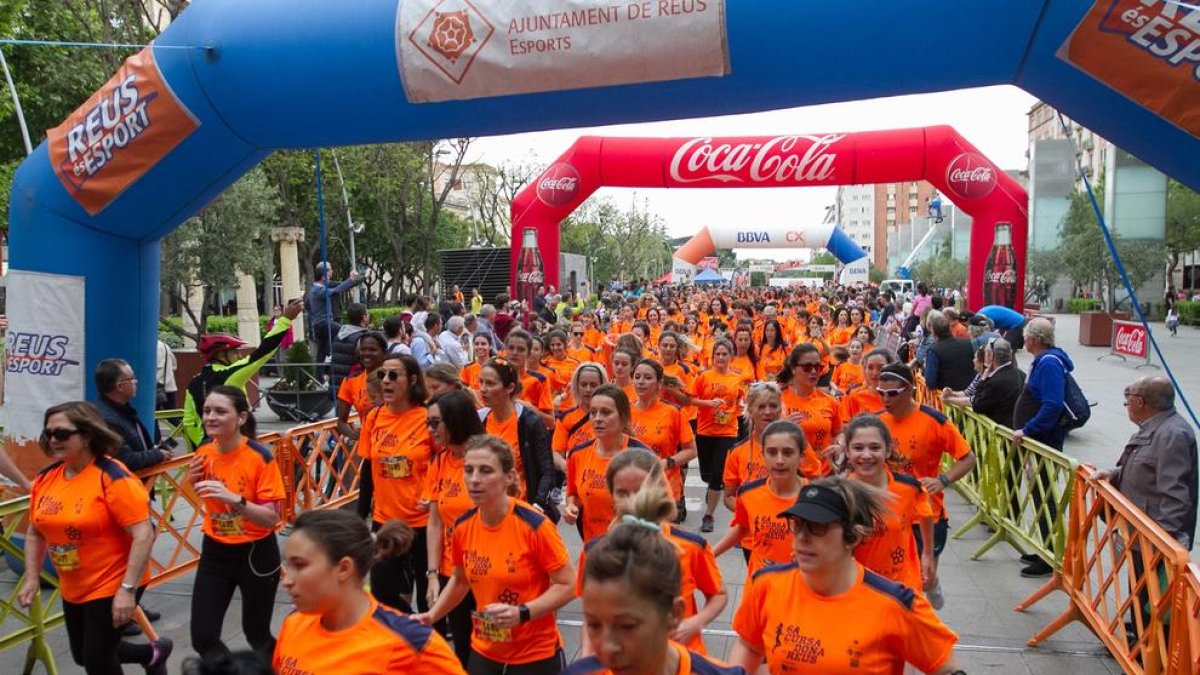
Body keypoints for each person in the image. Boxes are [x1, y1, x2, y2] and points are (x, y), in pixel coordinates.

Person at [729, 477, 962, 674]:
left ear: (854, 536)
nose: (802, 537)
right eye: (797, 525)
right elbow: (749, 645)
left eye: (818, 527)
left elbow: (948, 668)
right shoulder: (767, 584)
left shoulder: (895, 604)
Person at [19, 401, 172, 675]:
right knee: (82, 655)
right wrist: (31, 576)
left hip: (113, 582)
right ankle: (152, 654)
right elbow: (35, 531)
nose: (53, 440)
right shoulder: (45, 479)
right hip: (74, 582)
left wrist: (127, 590)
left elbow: (143, 534)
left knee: (98, 660)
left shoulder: (113, 477)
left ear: (88, 434)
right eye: (48, 434)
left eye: (62, 434)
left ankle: (149, 654)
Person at [417, 435, 576, 675]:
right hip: (485, 652)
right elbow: (460, 580)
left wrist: (522, 613)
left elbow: (569, 584)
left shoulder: (535, 526)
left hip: (535, 655)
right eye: (468, 470)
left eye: (486, 471)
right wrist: (432, 615)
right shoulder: (463, 527)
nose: (474, 479)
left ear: (509, 477)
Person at [566, 457, 737, 674]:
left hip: (680, 659)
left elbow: (719, 594)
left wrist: (694, 623)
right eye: (622, 493)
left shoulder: (690, 547)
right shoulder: (595, 552)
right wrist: (588, 659)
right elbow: (592, 616)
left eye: (639, 490)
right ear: (611, 495)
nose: (631, 500)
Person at [274, 510, 465, 674]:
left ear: (343, 569)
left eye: (299, 565)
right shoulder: (293, 625)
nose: (287, 581)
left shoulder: (410, 642)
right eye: (288, 565)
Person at [187, 386, 286, 660]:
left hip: (255, 554)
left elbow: (271, 518)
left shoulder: (259, 457)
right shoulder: (204, 452)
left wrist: (236, 500)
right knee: (203, 638)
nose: (210, 417)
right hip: (215, 552)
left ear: (241, 418)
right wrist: (191, 481)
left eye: (220, 411)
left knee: (257, 635)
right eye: (206, 411)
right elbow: (199, 496)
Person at [875, 363, 975, 607]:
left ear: (909, 389)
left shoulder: (935, 421)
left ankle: (932, 585)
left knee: (923, 579)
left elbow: (968, 458)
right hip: (889, 513)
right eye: (881, 392)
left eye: (892, 393)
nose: (885, 399)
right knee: (894, 582)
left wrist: (942, 480)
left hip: (927, 514)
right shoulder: (875, 423)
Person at [355, 354, 436, 614]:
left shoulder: (428, 417)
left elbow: (445, 462)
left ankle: (429, 644)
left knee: (429, 596)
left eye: (393, 375)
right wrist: (360, 516)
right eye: (382, 375)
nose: (385, 381)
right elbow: (368, 467)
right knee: (380, 591)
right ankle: (406, 626)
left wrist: (436, 498)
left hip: (424, 522)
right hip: (386, 520)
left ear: (412, 380)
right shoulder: (375, 417)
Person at [182, 298, 303, 447]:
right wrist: (285, 320)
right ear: (221, 355)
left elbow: (189, 422)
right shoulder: (229, 375)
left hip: (205, 453)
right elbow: (262, 353)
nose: (239, 356)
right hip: (233, 449)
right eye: (234, 352)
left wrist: (203, 446)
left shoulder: (193, 382)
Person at [1096, 376, 1198, 551]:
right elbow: (1148, 466)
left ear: (1140, 402)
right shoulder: (1155, 427)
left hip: (1150, 540)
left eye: (1128, 399)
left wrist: (1163, 544)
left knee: (1144, 578)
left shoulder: (1172, 435)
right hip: (1139, 532)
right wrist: (1115, 473)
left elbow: (1175, 495)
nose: (1127, 403)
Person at [423, 391, 487, 666]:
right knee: (462, 646)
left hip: (489, 572)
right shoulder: (439, 462)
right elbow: (435, 522)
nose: (430, 429)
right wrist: (433, 575)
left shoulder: (487, 459)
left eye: (435, 423)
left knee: (491, 648)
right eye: (428, 422)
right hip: (453, 573)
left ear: (455, 421)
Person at [843, 415, 936, 594]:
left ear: (888, 450)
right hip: (857, 588)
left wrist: (927, 554)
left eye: (875, 448)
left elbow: (926, 515)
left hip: (902, 586)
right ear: (847, 452)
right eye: (858, 448)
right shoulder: (839, 494)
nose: (866, 455)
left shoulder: (908, 488)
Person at [713, 421, 809, 576]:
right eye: (772, 452)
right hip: (759, 585)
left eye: (788, 452)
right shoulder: (748, 494)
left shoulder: (814, 499)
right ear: (763, 455)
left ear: (801, 457)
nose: (779, 460)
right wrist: (711, 554)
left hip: (798, 586)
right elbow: (742, 527)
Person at [564, 385, 651, 542]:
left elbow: (660, 509)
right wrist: (571, 507)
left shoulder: (642, 457)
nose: (597, 418)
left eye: (606, 412)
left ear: (623, 417)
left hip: (633, 552)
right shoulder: (577, 454)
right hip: (593, 550)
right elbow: (573, 494)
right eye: (593, 412)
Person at [477, 357, 557, 516]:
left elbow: (547, 470)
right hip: (486, 511)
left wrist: (538, 504)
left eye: (490, 384)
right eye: (481, 382)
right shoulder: (479, 420)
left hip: (522, 510)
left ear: (510, 388)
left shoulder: (530, 422)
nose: (483, 389)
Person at [692, 338, 747, 533]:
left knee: (717, 475)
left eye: (724, 354)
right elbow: (692, 399)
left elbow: (741, 397)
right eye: (717, 354)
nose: (721, 357)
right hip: (705, 430)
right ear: (713, 356)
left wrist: (740, 405)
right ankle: (712, 488)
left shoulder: (736, 378)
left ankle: (709, 514)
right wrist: (709, 404)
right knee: (706, 473)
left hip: (728, 431)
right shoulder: (703, 377)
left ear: (731, 357)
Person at [629, 359, 697, 515]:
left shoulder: (673, 412)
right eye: (637, 377)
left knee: (663, 538)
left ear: (659, 384)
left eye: (647, 377)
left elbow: (691, 451)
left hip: (665, 486)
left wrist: (667, 463)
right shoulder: (625, 410)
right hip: (633, 486)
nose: (641, 381)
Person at [93, 359, 171, 471]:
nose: (136, 382)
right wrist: (158, 454)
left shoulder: (121, 410)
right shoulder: (107, 419)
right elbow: (125, 460)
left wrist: (154, 450)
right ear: (120, 386)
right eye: (132, 378)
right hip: (126, 485)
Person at [777, 343, 841, 473]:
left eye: (818, 367)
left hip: (824, 474)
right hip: (790, 473)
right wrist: (783, 428)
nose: (813, 371)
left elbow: (839, 432)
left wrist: (840, 445)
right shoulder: (778, 400)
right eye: (807, 367)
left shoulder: (830, 402)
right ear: (794, 369)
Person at [335, 332, 389, 442]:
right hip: (368, 447)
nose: (366, 353)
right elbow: (340, 422)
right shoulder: (351, 381)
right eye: (363, 349)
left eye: (372, 350)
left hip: (396, 443)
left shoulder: (394, 377)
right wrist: (352, 433)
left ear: (384, 353)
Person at [307, 262, 363, 364]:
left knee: (322, 353)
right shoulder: (317, 290)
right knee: (345, 331)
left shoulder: (315, 289)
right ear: (323, 277)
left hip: (320, 324)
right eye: (328, 274)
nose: (330, 276)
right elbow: (336, 291)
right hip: (323, 323)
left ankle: (319, 377)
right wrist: (351, 279)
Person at [968, 338, 1025, 429]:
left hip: (1001, 433)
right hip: (1016, 428)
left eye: (987, 353)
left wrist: (983, 379)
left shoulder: (995, 382)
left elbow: (977, 405)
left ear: (992, 357)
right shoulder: (1021, 374)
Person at [923, 310, 977, 392]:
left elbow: (930, 382)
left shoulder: (933, 350)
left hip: (947, 397)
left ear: (933, 331)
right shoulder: (968, 343)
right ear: (949, 327)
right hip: (970, 393)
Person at [331, 303, 371, 392]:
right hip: (353, 388)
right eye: (368, 314)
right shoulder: (362, 338)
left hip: (337, 386)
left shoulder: (339, 335)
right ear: (364, 317)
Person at [155, 338, 178, 412]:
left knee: (153, 418)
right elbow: (174, 366)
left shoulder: (149, 346)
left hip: (154, 388)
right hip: (170, 387)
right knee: (173, 417)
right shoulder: (165, 346)